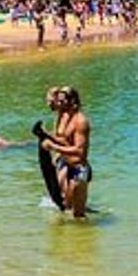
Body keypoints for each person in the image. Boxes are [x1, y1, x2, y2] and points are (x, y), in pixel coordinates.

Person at [42, 87, 93, 218]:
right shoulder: (67, 117)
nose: (59, 103)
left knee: (79, 217)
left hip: (79, 170)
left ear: (72, 101)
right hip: (67, 165)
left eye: (62, 101)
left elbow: (79, 151)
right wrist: (46, 135)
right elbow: (65, 141)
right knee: (66, 208)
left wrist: (53, 146)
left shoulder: (81, 121)